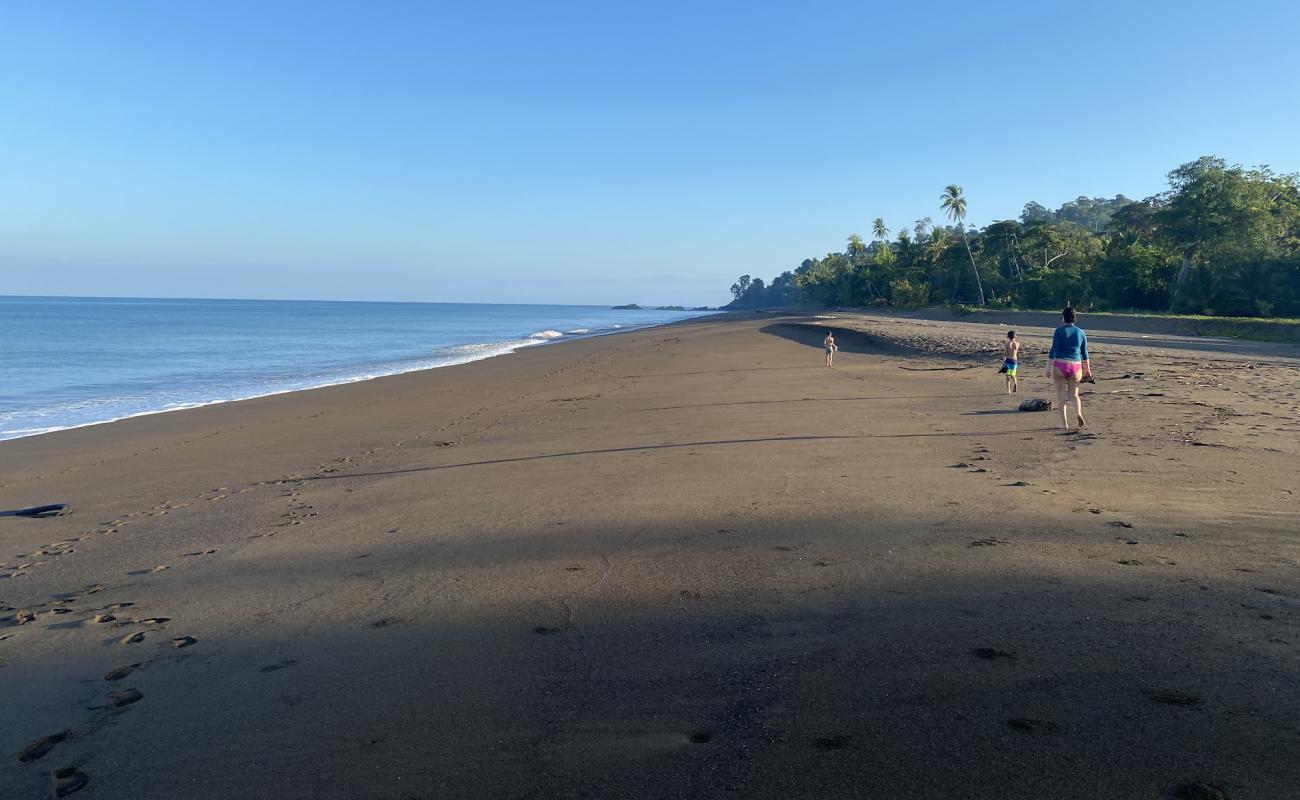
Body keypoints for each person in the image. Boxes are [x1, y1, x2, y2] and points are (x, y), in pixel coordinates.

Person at [1045, 307, 1091, 430]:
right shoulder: (1081, 332)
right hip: (1076, 366)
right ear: (1074, 318)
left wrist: (1048, 367)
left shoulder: (1059, 331)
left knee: (1060, 395)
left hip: (1060, 364)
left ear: (1063, 317)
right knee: (1074, 395)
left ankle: (1064, 423)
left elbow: (1053, 350)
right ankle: (1078, 414)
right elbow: (1084, 353)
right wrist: (1087, 370)